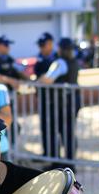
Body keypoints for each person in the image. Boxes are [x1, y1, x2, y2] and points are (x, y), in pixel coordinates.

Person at [34, 36, 81, 166]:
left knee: (57, 132)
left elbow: (47, 80)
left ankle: (58, 163)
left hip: (62, 104)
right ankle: (70, 163)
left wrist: (38, 80)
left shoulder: (60, 62)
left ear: (60, 48)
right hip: (73, 101)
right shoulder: (74, 61)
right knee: (69, 133)